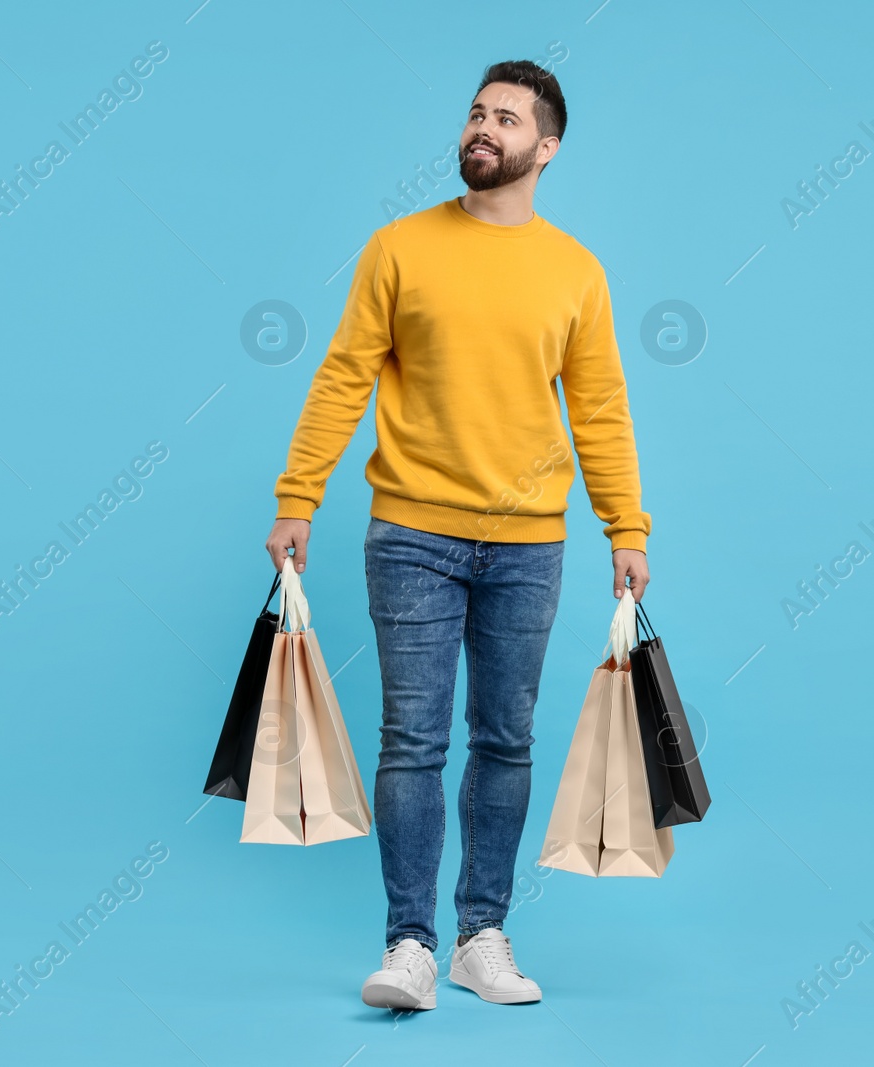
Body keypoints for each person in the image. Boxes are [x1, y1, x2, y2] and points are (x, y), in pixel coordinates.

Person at [265, 59, 651, 1011]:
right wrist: (297, 495)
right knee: (413, 740)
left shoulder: (575, 271)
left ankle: (483, 933)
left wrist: (625, 525)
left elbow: (600, 407)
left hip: (531, 544)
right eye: (477, 113)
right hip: (411, 534)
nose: (484, 128)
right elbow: (343, 376)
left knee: (506, 739)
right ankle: (410, 945)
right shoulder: (399, 247)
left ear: (545, 148)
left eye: (506, 119)